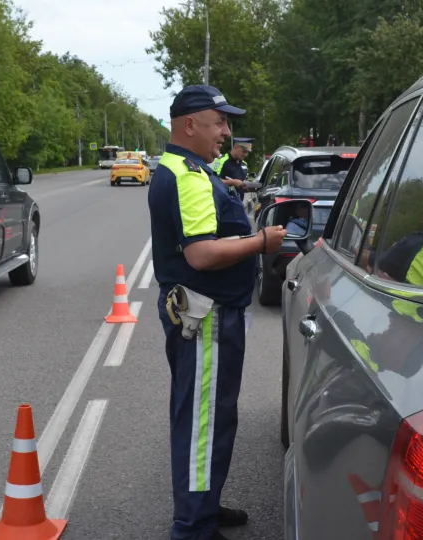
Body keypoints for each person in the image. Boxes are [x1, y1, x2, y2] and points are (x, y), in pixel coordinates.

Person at [148, 85, 287, 540]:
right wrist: (261, 242)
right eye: (219, 122)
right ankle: (193, 527)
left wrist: (218, 185)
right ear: (190, 125)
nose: (226, 132)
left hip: (205, 315)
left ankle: (202, 506)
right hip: (205, 318)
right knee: (203, 424)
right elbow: (202, 255)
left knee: (208, 418)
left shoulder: (189, 170)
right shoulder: (187, 175)